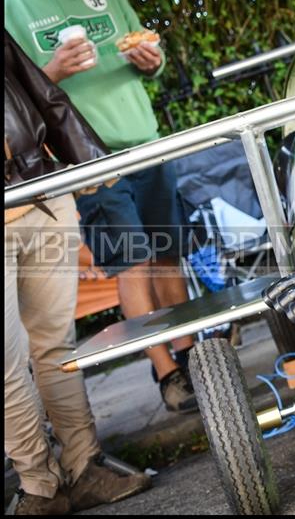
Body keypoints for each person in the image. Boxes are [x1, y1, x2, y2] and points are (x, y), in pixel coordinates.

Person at [5, 0, 197, 412]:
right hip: (86, 155)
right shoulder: (10, 1)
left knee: (168, 255)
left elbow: (147, 49)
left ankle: (191, 358)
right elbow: (13, 97)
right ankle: (166, 373)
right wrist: (50, 72)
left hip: (145, 140)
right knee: (131, 263)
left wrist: (153, 61)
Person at [5, 29, 151, 515]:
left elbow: (39, 91)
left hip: (40, 194)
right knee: (5, 365)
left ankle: (86, 468)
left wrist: (88, 162)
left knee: (55, 344)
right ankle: (40, 486)